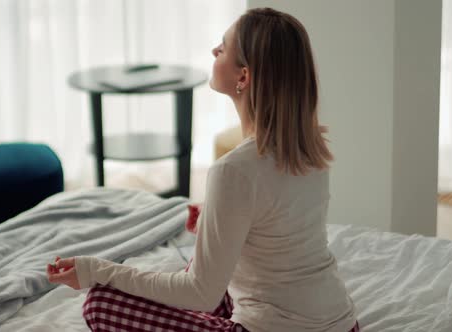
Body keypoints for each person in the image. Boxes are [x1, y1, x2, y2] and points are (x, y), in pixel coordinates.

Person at [48, 7, 359, 332]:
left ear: (244, 76)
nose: (214, 51)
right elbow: (280, 229)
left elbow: (201, 294)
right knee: (211, 271)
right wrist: (218, 218)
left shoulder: (235, 170)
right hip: (343, 323)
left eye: (223, 47)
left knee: (101, 302)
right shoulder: (310, 148)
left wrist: (97, 270)